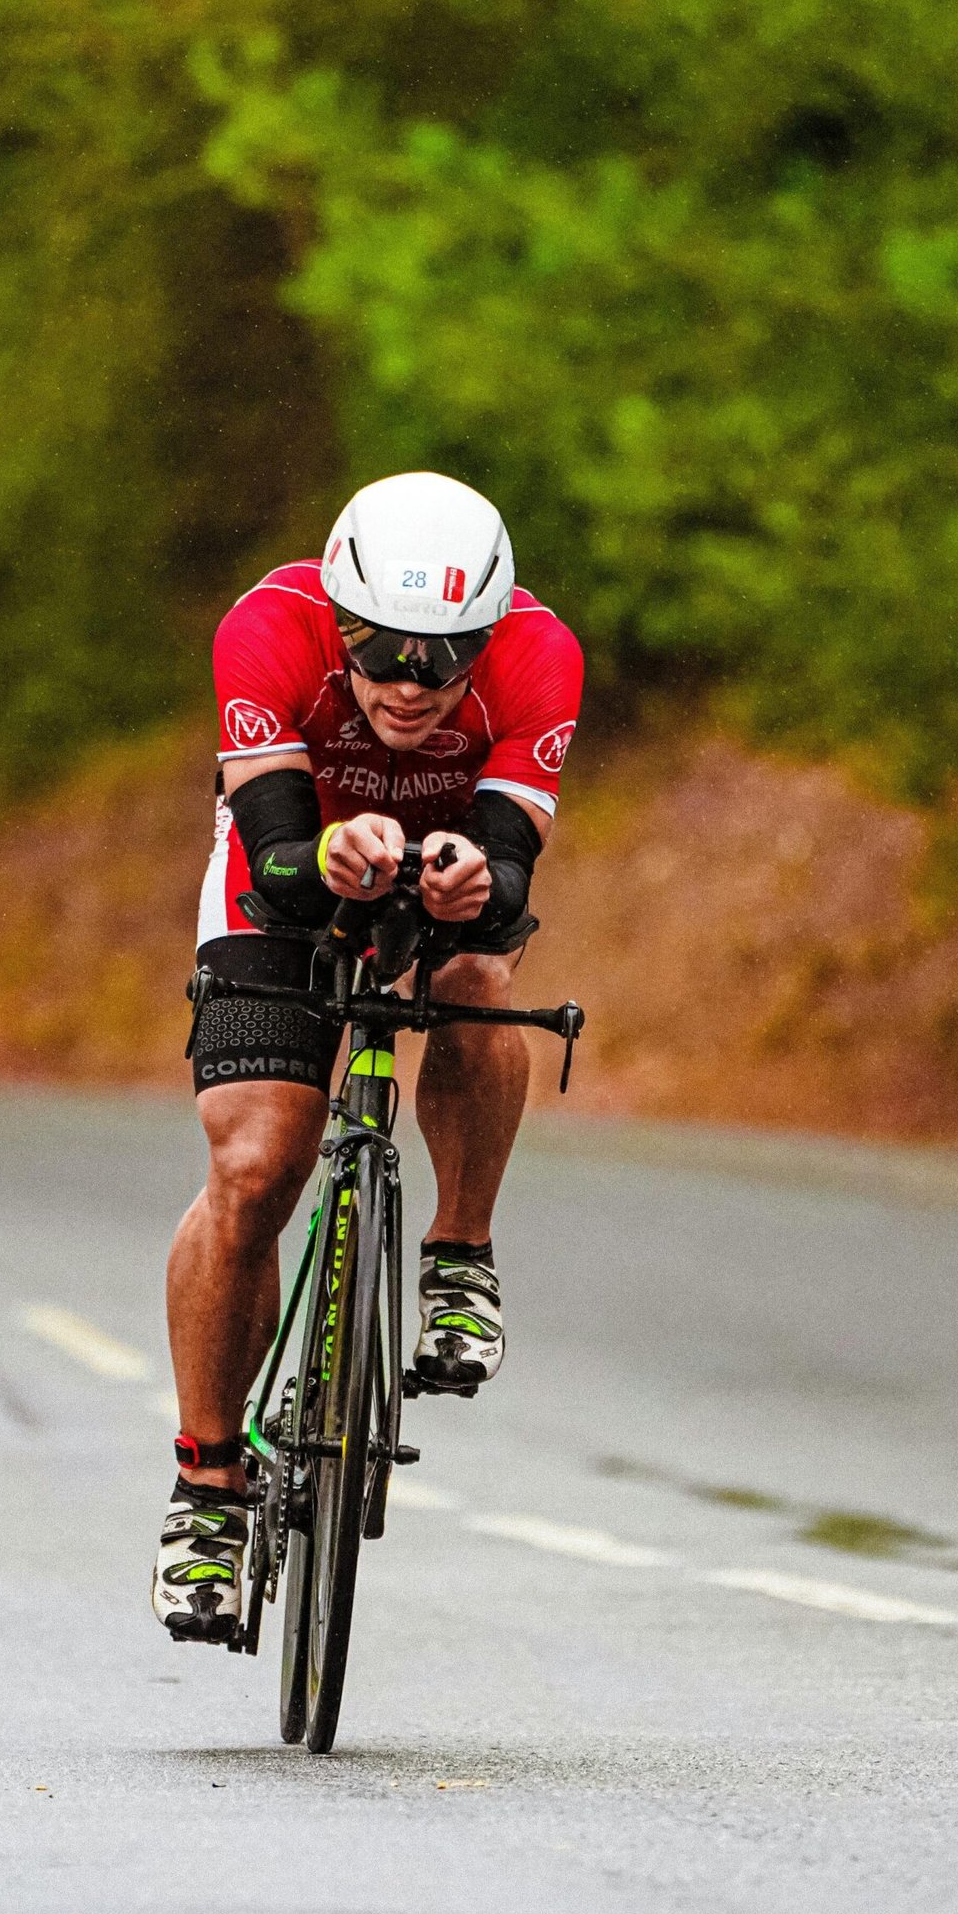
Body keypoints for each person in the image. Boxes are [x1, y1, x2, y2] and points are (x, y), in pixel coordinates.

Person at [153, 471, 583, 1642]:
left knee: (476, 975)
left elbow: (509, 875)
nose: (410, 682)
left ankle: (460, 1255)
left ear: (487, 640)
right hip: (293, 867)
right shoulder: (266, 624)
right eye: (383, 651)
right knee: (255, 1162)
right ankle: (208, 1487)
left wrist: (471, 877)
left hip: (440, 867)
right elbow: (277, 850)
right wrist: (336, 846)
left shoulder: (543, 655)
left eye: (445, 658)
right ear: (337, 622)